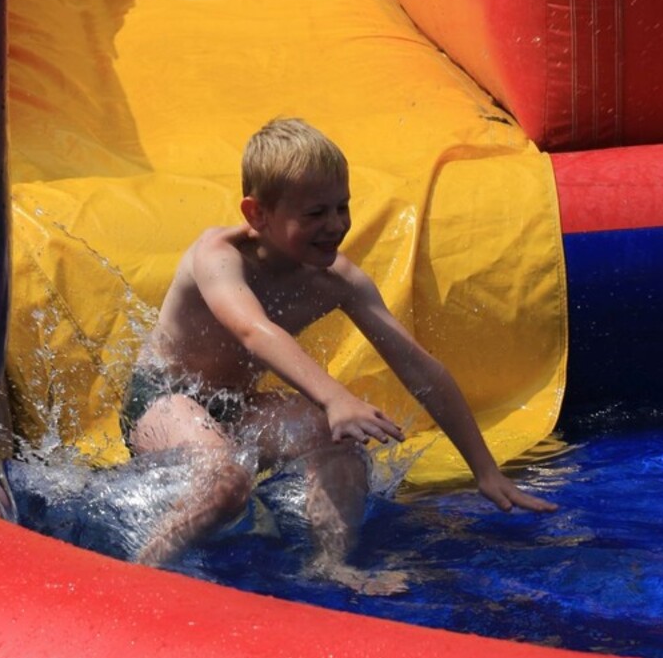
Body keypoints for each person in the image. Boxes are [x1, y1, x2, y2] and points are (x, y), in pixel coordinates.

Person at [122, 117, 556, 589]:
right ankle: (139, 572)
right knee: (227, 484)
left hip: (236, 406)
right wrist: (334, 397)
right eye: (315, 213)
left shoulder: (336, 282)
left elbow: (419, 368)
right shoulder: (218, 257)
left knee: (340, 442)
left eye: (342, 207)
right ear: (257, 214)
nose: (335, 225)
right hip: (162, 400)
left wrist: (485, 470)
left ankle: (330, 563)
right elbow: (253, 331)